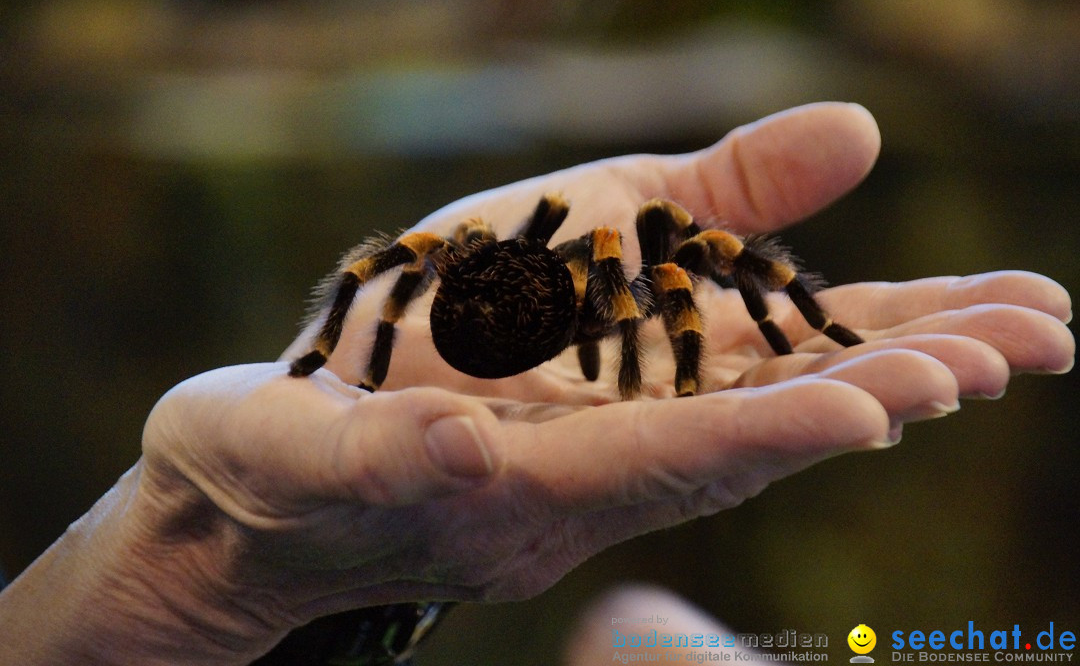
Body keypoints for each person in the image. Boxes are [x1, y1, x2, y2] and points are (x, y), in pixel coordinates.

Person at [0, 103, 1072, 666]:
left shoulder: (505, 266)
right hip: (500, 326)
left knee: (639, 625)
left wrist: (343, 364)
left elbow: (393, 266)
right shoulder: (598, 279)